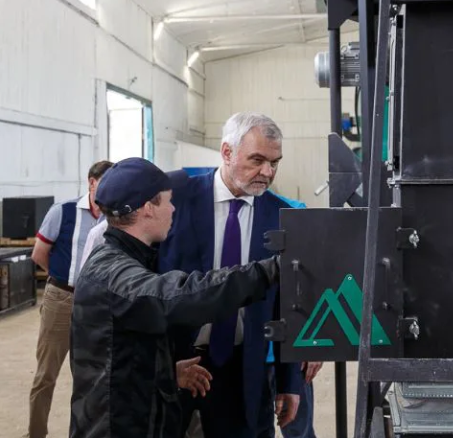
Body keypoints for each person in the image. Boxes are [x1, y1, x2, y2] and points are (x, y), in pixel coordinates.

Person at [69, 157, 283, 438]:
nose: (173, 209)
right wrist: (270, 270)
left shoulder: (125, 257)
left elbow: (122, 355)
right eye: (169, 201)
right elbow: (180, 297)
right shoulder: (113, 274)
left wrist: (167, 373)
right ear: (148, 208)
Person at [158, 112, 305, 438]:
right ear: (227, 152)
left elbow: (286, 306)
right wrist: (159, 365)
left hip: (244, 368)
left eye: (274, 163)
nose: (267, 172)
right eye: (257, 160)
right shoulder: (175, 202)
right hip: (175, 363)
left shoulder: (281, 216)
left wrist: (289, 381)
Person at [27, 160, 112, 438]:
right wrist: (64, 279)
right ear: (91, 182)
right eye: (106, 182)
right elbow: (39, 253)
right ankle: (36, 432)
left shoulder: (114, 218)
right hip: (61, 298)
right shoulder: (63, 211)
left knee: (90, 376)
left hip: (96, 304)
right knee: (46, 374)